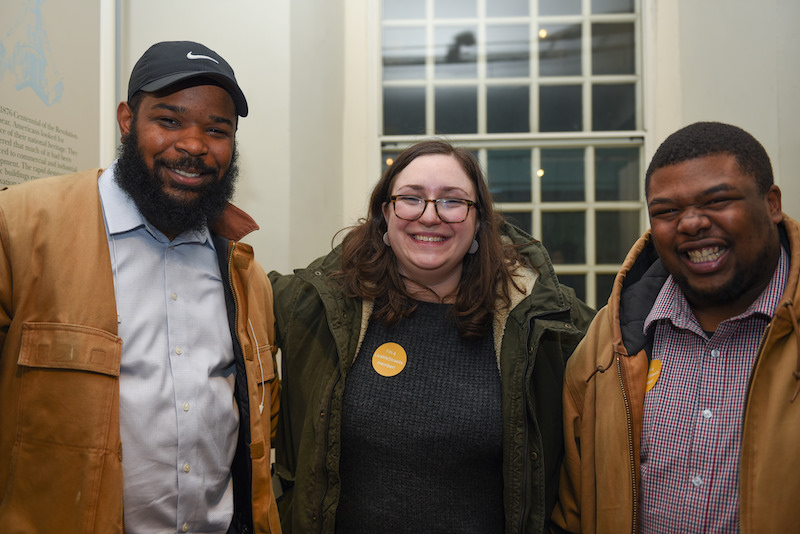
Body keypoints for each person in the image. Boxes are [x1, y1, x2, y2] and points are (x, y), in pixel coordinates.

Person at [0, 41, 280, 533]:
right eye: (169, 121)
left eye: (217, 130)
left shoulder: (243, 271)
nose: (194, 145)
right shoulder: (21, 229)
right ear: (127, 120)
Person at [269, 139, 595, 533]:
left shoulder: (546, 322)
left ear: (479, 220)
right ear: (385, 213)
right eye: (411, 198)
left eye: (452, 201)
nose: (430, 216)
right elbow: (229, 295)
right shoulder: (316, 306)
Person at [551, 121, 800, 533]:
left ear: (772, 203)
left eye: (717, 200)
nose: (690, 224)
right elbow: (574, 511)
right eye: (666, 211)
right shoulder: (605, 344)